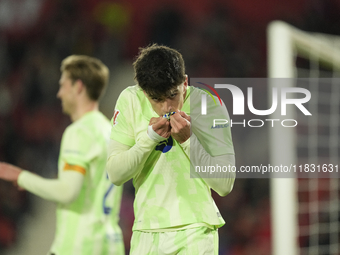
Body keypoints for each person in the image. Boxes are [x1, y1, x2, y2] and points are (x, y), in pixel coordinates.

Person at [106, 44, 235, 255]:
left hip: (196, 229)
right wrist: (149, 139)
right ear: (143, 91)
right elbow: (115, 173)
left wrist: (188, 141)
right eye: (156, 99)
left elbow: (225, 183)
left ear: (185, 82)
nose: (167, 108)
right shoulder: (130, 100)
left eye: (173, 95)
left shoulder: (209, 105)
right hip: (146, 231)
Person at [0, 55, 125, 255]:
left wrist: (20, 177)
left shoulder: (79, 131)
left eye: (63, 86)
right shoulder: (110, 131)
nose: (59, 94)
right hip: (109, 243)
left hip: (78, 244)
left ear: (79, 88)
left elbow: (68, 191)